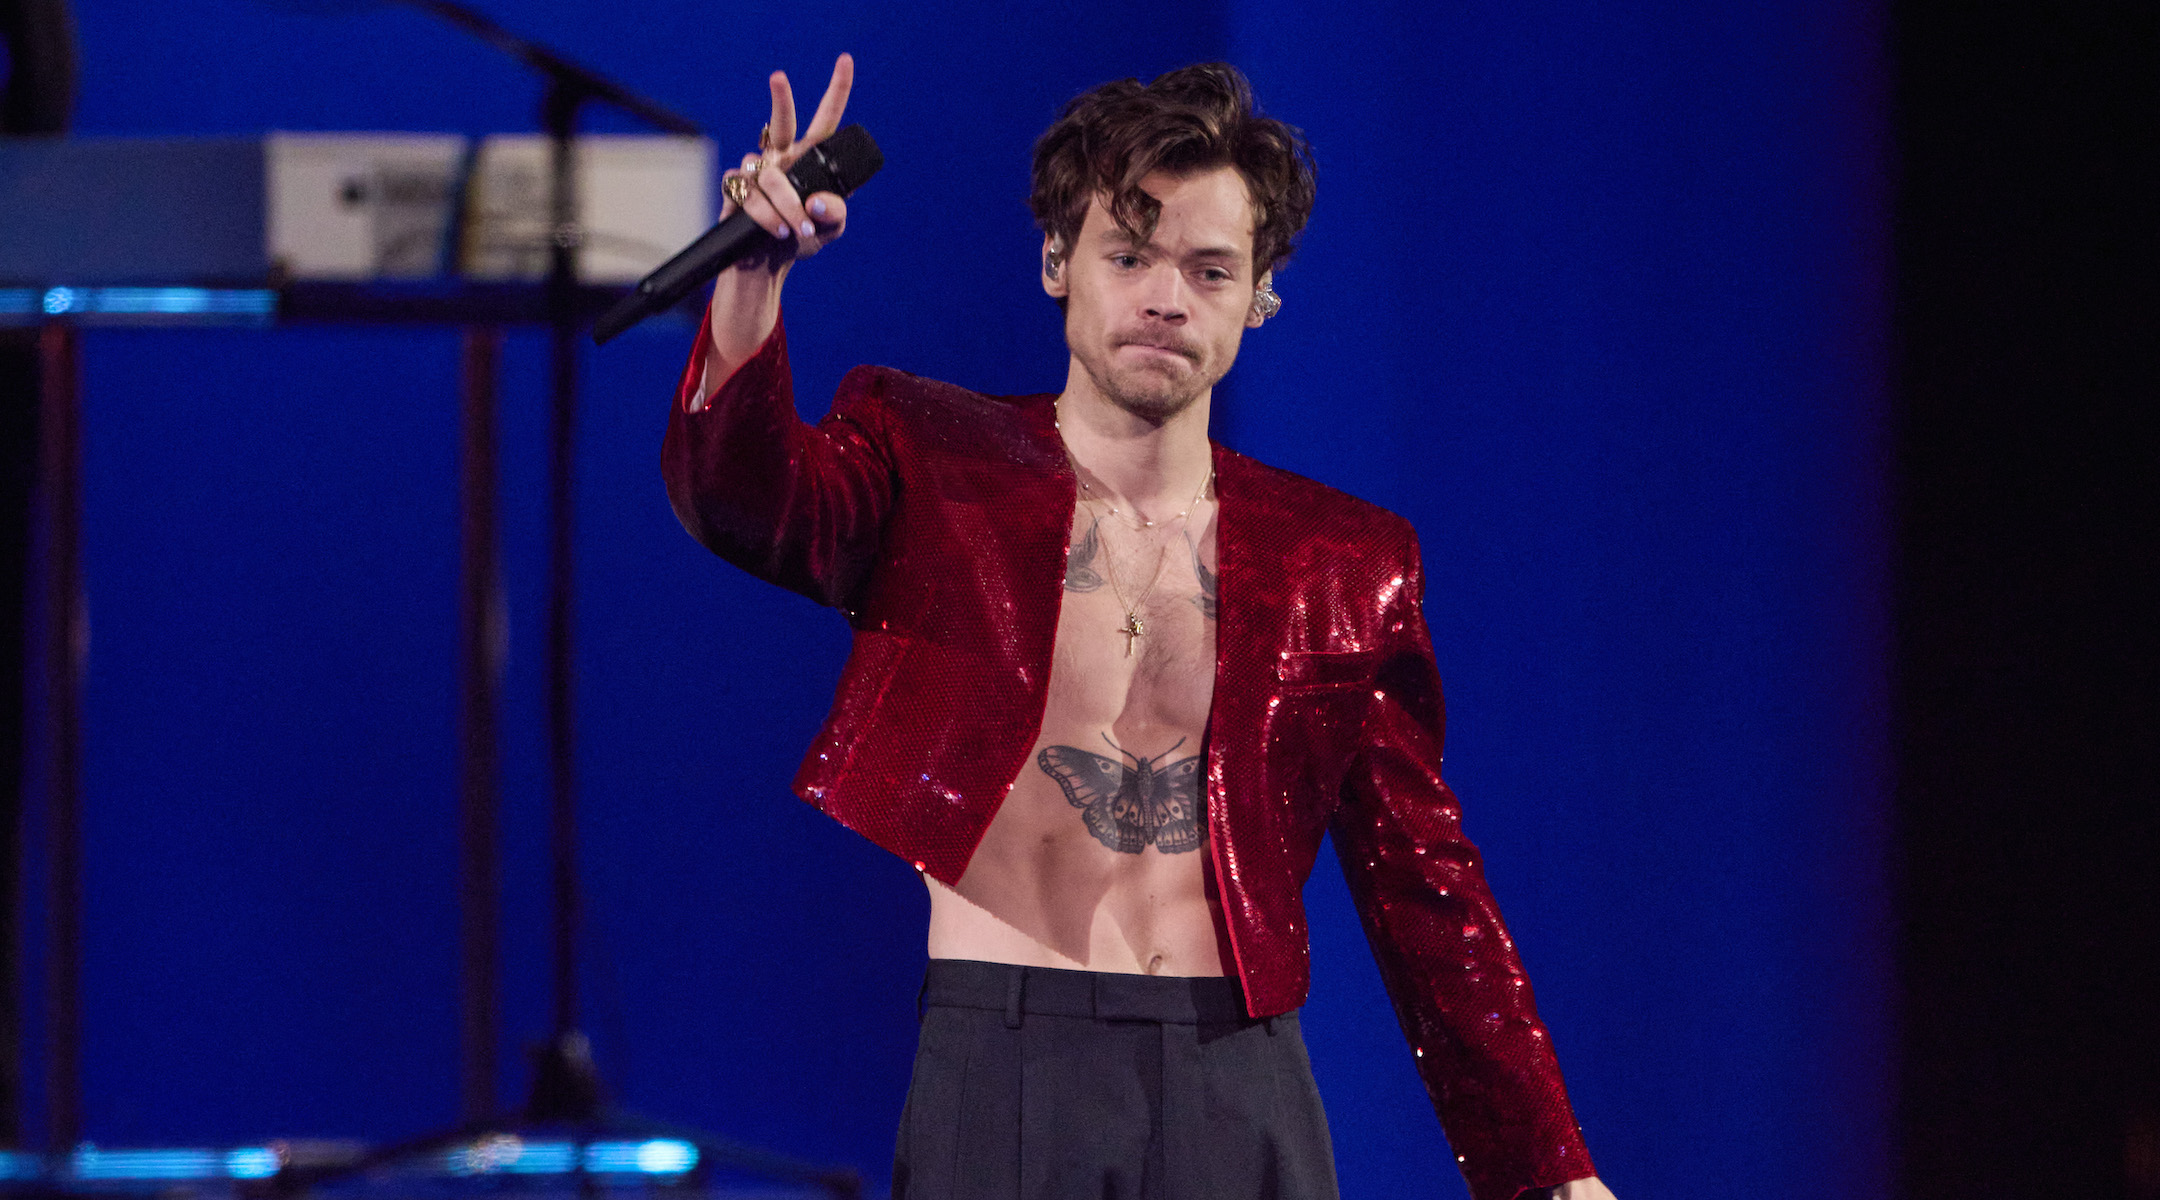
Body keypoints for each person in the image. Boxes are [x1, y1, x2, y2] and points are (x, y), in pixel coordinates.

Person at [662, 54, 1618, 1200]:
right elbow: (747, 501)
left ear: (1261, 293)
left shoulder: (1344, 565)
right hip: (1007, 1056)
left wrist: (1547, 1173)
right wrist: (751, 284)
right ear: (1059, 262)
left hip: (1242, 1073)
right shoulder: (935, 460)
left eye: (1211, 269)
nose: (1167, 296)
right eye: (1130, 254)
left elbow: (1426, 886)